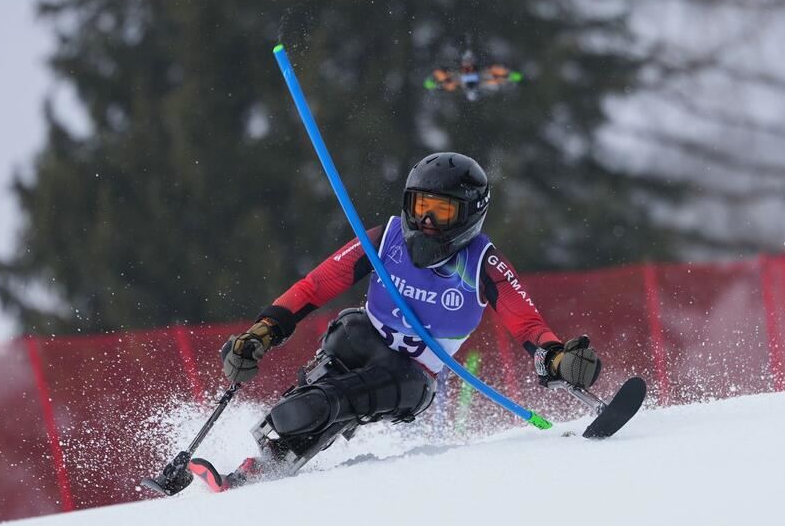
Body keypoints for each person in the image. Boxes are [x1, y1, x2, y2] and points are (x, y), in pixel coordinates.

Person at [210, 152, 602, 488]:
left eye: (442, 210)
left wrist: (557, 359)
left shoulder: (482, 262)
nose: (427, 221)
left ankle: (295, 434)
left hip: (411, 377)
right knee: (317, 386)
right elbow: (316, 286)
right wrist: (264, 331)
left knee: (321, 406)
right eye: (420, 206)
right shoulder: (386, 238)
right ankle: (268, 461)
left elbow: (528, 325)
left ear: (470, 214)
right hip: (359, 341)